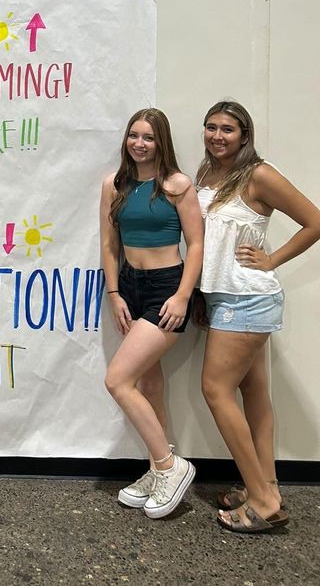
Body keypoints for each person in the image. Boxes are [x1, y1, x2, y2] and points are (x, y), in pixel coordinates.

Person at [197, 99, 320, 533]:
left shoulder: (258, 174)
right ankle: (265, 483)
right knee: (254, 393)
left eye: (227, 129)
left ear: (244, 136)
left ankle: (264, 503)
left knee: (214, 388)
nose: (217, 135)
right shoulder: (207, 175)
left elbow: (314, 221)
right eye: (211, 127)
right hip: (222, 298)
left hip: (246, 298)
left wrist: (273, 260)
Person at [101, 108, 203, 518]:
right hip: (130, 286)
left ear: (162, 142)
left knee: (117, 380)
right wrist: (114, 293)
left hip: (166, 288)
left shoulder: (178, 186)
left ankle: (169, 465)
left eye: (148, 137)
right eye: (133, 135)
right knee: (148, 381)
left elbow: (195, 245)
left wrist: (182, 296)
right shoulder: (115, 184)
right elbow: (109, 246)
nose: (139, 144)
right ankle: (155, 467)